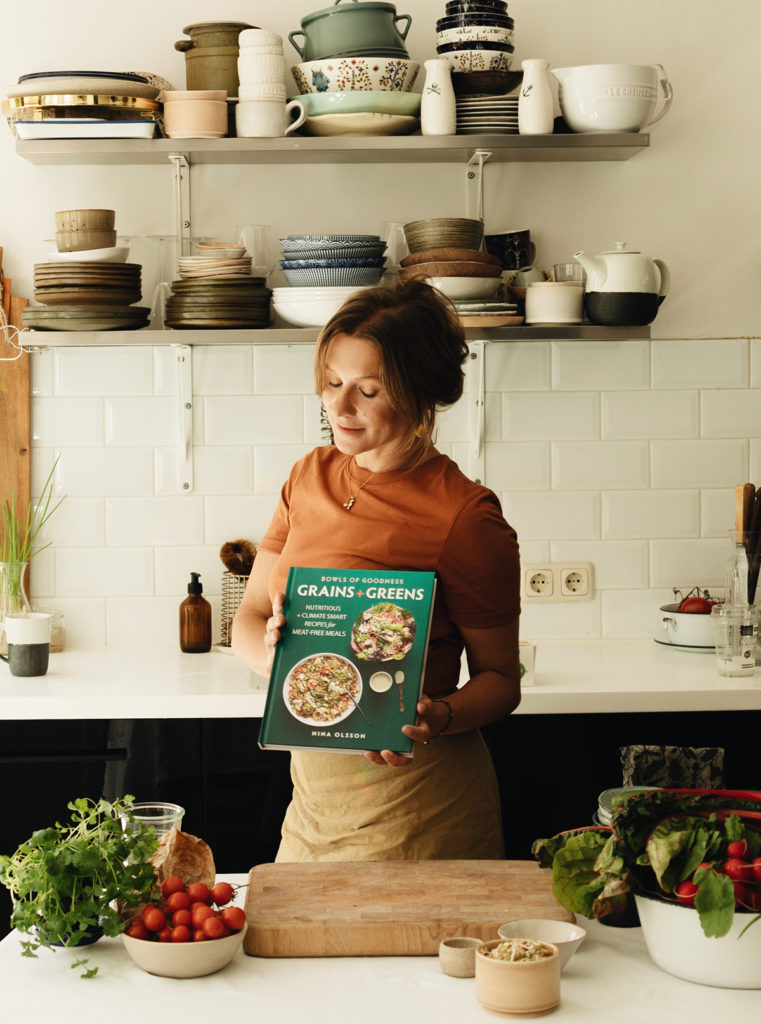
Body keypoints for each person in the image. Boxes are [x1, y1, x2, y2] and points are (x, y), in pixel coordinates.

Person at [232, 279, 521, 861]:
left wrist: (438, 716)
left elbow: (501, 681)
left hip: (420, 811)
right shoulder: (307, 476)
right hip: (312, 809)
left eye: (367, 390)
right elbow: (251, 616)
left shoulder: (465, 514)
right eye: (333, 384)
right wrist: (282, 661)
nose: (339, 408)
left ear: (419, 394)